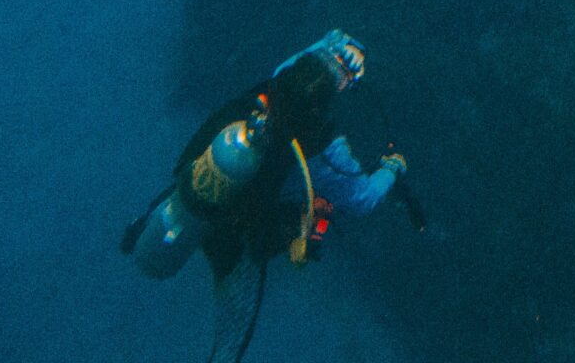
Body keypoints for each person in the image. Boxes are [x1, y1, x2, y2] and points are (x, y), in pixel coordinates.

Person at [123, 31, 414, 362]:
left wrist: (338, 47)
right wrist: (392, 168)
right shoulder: (324, 154)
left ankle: (142, 231)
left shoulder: (272, 87)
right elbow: (362, 198)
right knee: (233, 336)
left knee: (190, 200)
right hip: (239, 239)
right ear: (320, 110)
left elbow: (302, 61)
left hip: (199, 196)